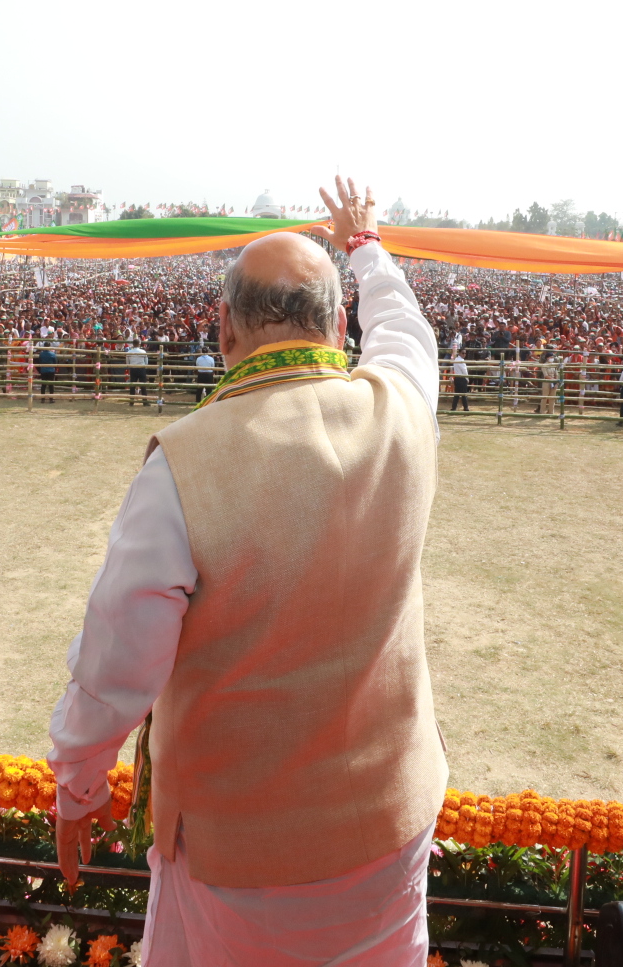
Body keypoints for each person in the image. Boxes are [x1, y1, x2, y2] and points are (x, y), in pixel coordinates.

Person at [47, 177, 445, 965]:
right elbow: (403, 327)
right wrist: (365, 244)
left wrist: (78, 789)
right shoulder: (401, 408)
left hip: (240, 856)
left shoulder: (184, 463)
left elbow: (116, 666)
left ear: (221, 328)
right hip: (389, 826)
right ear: (338, 326)